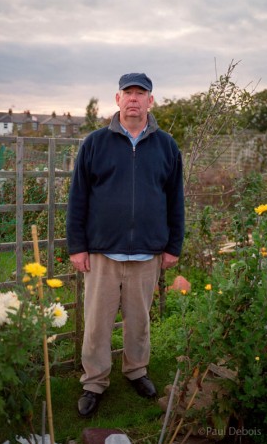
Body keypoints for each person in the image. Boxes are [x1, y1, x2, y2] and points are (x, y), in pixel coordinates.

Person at [66, 72, 184, 418]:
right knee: (97, 322)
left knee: (139, 321)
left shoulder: (166, 146)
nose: (134, 99)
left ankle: (136, 371)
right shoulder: (95, 143)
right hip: (102, 251)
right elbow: (78, 199)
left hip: (147, 251)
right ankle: (94, 381)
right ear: (117, 99)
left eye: (141, 93)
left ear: (150, 101)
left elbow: (175, 199)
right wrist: (77, 246)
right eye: (127, 93)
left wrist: (173, 244)